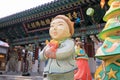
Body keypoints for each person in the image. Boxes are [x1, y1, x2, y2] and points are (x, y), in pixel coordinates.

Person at [39, 15, 77, 80]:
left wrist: (54, 53)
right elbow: (41, 56)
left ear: (69, 32)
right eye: (52, 26)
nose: (54, 28)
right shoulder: (50, 43)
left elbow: (67, 51)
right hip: (50, 71)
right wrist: (45, 53)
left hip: (66, 70)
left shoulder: (69, 42)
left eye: (60, 25)